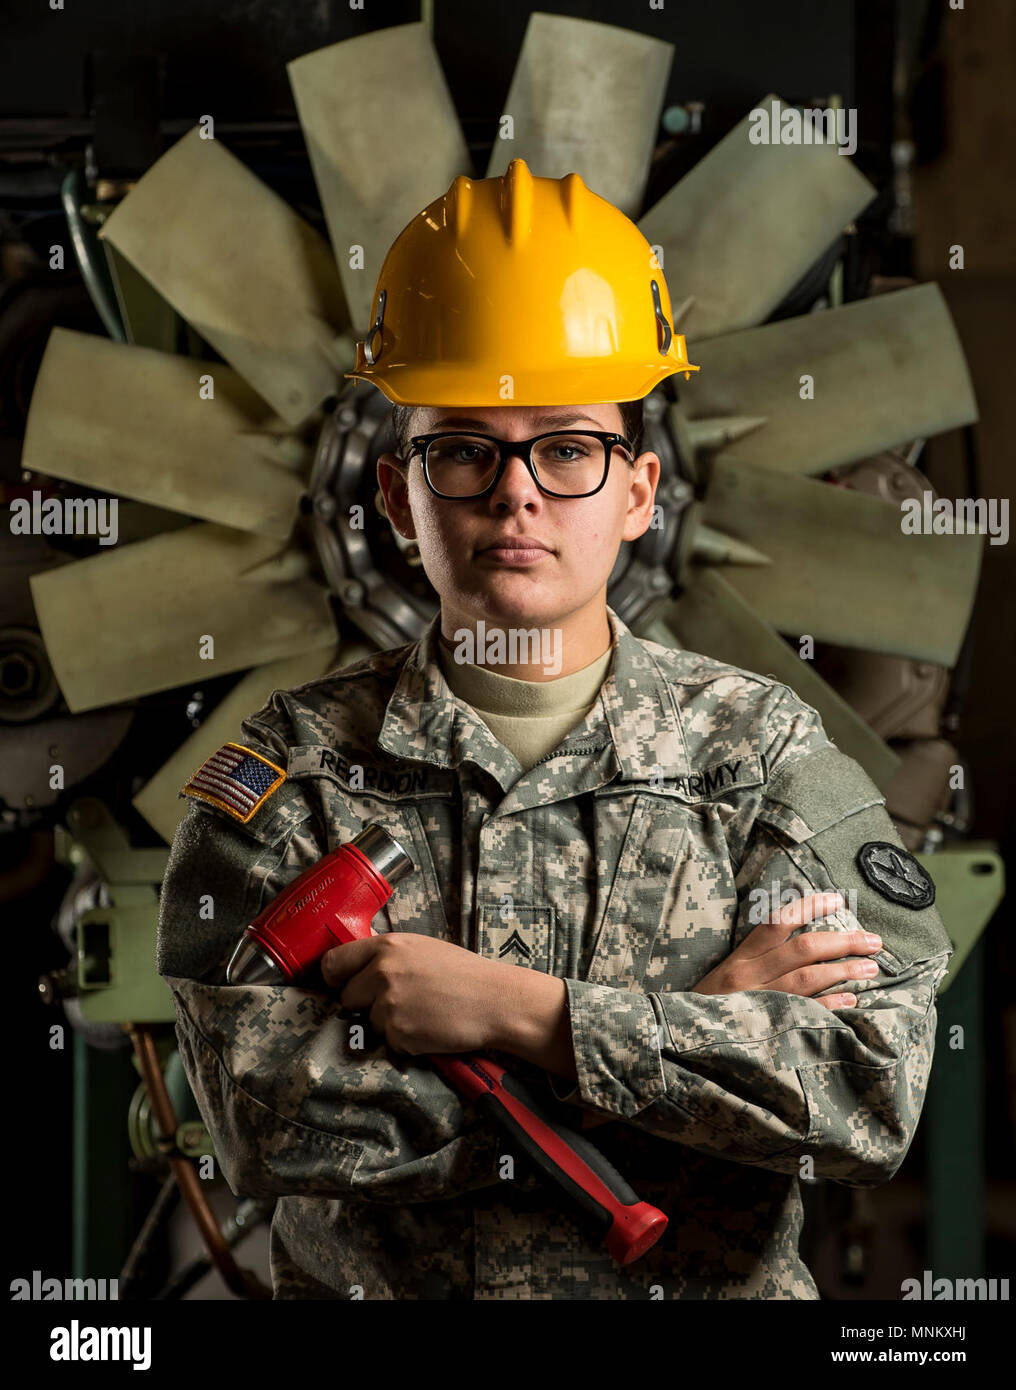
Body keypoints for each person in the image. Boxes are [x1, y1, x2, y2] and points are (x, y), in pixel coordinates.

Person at [156, 159, 953, 1299]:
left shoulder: (761, 757)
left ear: (636, 493)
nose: (515, 493)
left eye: (566, 447)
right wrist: (691, 1034)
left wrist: (520, 1015)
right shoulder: (293, 776)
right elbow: (266, 1125)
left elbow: (865, 1100)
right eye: (464, 447)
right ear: (395, 495)